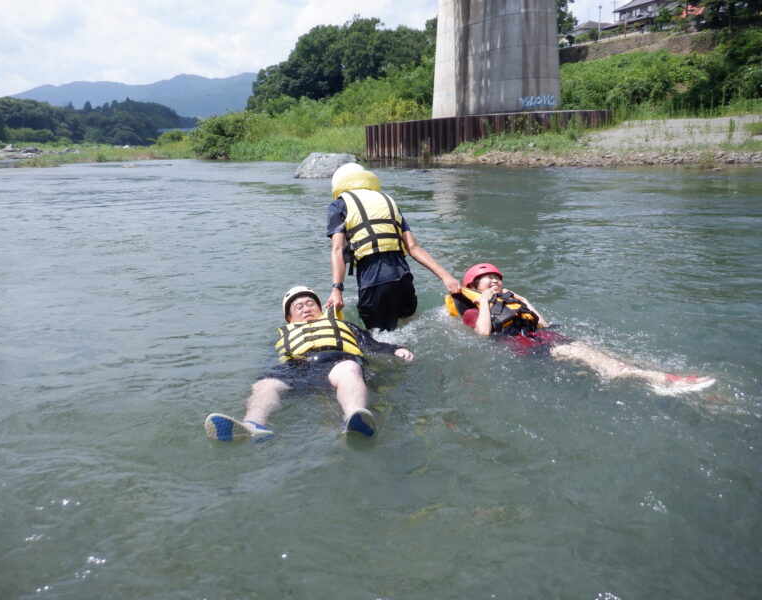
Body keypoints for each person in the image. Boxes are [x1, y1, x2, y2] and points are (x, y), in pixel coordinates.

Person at [447, 262, 716, 394]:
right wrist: (483, 303)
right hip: (527, 349)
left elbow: (543, 324)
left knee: (603, 355)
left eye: (496, 278)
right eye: (486, 280)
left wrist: (526, 302)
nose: (494, 281)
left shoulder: (512, 300)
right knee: (594, 359)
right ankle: (663, 381)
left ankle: (656, 376)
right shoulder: (472, 310)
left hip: (544, 337)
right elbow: (483, 334)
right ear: (473, 287)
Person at [205, 286, 414, 441]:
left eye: (310, 304)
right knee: (265, 384)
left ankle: (354, 418)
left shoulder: (341, 325)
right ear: (289, 317)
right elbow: (272, 361)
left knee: (351, 368)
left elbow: (371, 343)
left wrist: (395, 349)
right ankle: (252, 426)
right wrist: (268, 378)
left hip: (336, 361)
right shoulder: (282, 334)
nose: (306, 308)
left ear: (320, 308)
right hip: (296, 368)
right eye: (299, 307)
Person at [325, 163, 460, 331]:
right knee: (409, 326)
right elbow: (413, 247)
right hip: (403, 276)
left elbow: (337, 249)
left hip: (373, 280)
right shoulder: (388, 202)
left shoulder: (339, 205)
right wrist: (446, 277)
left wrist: (337, 289)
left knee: (379, 340)